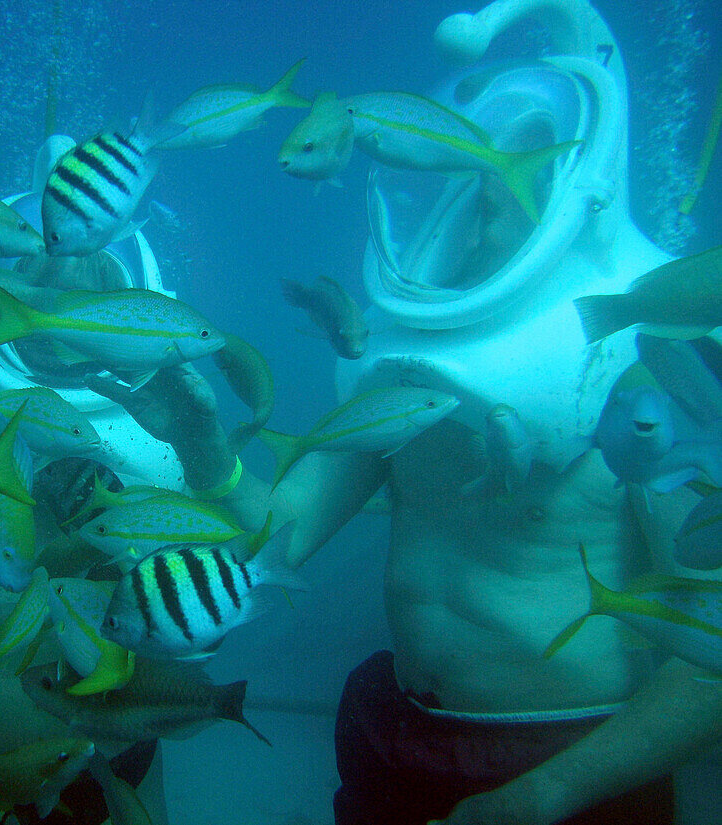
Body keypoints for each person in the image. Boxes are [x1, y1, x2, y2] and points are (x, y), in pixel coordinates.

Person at [87, 1, 722, 823]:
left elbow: (712, 652)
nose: (492, 195)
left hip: (569, 759)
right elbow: (279, 536)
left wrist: (544, 795)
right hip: (402, 734)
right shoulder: (409, 361)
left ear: (583, 186)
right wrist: (203, 440)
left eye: (525, 171)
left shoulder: (645, 367)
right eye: (478, 172)